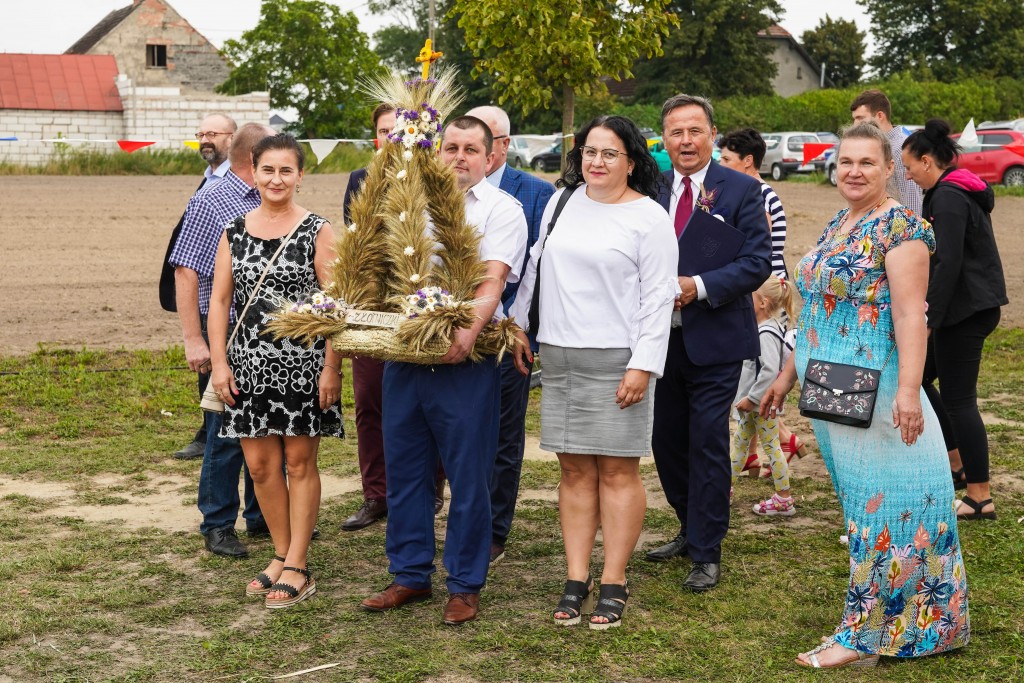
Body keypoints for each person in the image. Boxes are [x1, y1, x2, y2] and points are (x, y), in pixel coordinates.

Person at [761, 122, 970, 668]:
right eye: (845, 162)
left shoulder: (901, 228)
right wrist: (786, 375)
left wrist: (909, 392)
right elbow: (819, 310)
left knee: (886, 509)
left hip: (875, 388)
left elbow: (910, 314)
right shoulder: (841, 222)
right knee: (861, 506)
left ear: (889, 169)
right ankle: (916, 627)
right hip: (830, 384)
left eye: (867, 162)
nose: (854, 172)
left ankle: (865, 636)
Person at [509, 115, 677, 628]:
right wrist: (518, 326)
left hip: (618, 361)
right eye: (589, 151)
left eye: (609, 153)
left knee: (618, 471)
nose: (596, 162)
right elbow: (535, 266)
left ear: (631, 161)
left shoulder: (649, 217)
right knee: (574, 471)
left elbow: (658, 297)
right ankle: (576, 576)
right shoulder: (561, 201)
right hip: (560, 357)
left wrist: (643, 366)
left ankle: (614, 580)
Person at [359, 116, 527, 625]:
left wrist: (466, 335)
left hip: (465, 360)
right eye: (450, 147)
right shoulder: (411, 204)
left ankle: (464, 584)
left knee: (468, 475)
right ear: (436, 152)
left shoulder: (502, 209)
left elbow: (491, 281)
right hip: (406, 356)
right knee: (406, 470)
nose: (459, 157)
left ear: (490, 157)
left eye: (471, 149)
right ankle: (409, 574)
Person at [208, 133, 344, 609]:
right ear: (254, 171)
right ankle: (281, 553)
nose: (277, 179)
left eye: (287, 170)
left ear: (300, 175)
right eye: (268, 169)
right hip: (247, 367)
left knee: (299, 464)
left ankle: (299, 566)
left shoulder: (318, 231)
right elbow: (220, 301)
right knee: (261, 468)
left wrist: (332, 368)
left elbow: (335, 306)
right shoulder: (233, 230)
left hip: (303, 367)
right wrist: (220, 363)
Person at [646, 95, 773, 592]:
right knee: (665, 440)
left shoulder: (740, 189)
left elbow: (757, 262)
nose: (685, 141)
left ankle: (707, 549)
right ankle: (688, 524)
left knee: (706, 440)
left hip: (716, 338)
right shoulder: (649, 187)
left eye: (695, 131)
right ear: (664, 138)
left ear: (713, 135)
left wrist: (696, 286)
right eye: (675, 132)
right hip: (659, 341)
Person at [169, 123, 275, 558]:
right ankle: (217, 523)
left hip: (268, 333)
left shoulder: (267, 199)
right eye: (271, 161)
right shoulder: (211, 200)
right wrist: (194, 339)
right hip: (226, 331)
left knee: (265, 427)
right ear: (254, 159)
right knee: (226, 431)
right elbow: (185, 270)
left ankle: (263, 516)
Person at [340, 103, 447, 532]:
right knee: (370, 402)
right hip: (372, 306)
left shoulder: (436, 177)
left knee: (427, 402)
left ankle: (430, 487)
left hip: (422, 305)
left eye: (399, 130)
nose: (393, 138)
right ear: (377, 137)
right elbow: (356, 243)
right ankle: (376, 494)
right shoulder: (359, 180)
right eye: (386, 131)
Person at [901, 119, 1008, 521]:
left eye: (909, 167)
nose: (907, 175)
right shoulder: (949, 190)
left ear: (927, 161)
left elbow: (947, 263)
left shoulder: (947, 197)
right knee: (918, 377)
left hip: (965, 311)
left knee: (960, 400)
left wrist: (928, 318)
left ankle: (980, 496)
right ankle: (957, 462)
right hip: (963, 307)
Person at [465, 104, 555, 564]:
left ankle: (495, 529)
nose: (468, 152)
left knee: (503, 435)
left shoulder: (536, 192)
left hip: (510, 335)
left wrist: (522, 329)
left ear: (501, 145)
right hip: (452, 337)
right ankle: (462, 519)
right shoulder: (444, 190)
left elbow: (540, 269)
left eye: (484, 140)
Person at [718, 128, 807, 469]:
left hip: (762, 289)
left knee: (758, 365)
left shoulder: (757, 194)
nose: (721, 164)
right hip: (762, 286)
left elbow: (758, 245)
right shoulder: (752, 191)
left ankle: (782, 439)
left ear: (748, 161)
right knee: (752, 365)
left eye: (726, 158)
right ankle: (761, 449)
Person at [162, 113, 237, 460]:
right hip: (207, 297)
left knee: (217, 372)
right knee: (208, 370)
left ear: (233, 138)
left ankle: (214, 439)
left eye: (213, 134)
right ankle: (208, 434)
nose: (205, 139)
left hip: (230, 301)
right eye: (201, 134)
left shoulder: (234, 182)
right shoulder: (209, 179)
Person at [728, 276, 799, 516]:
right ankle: (724, 488)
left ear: (762, 303)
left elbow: (769, 371)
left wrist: (752, 399)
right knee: (740, 443)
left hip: (761, 405)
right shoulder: (764, 328)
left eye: (750, 297)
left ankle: (784, 499)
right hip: (754, 405)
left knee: (771, 446)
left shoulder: (765, 333)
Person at [850, 89, 923, 216]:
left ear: (880, 116)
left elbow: (912, 202)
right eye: (854, 119)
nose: (855, 124)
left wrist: (910, 227)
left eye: (860, 118)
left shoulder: (902, 147)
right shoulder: (876, 145)